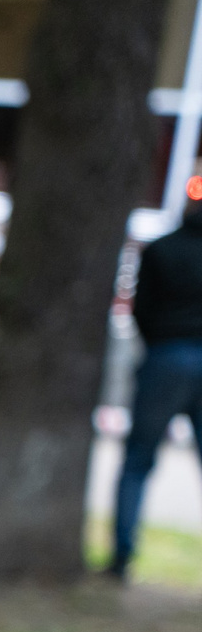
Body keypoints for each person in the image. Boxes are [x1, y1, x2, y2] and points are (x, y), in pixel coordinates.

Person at [110, 196, 202, 579]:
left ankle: (122, 557)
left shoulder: (161, 248)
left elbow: (139, 308)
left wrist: (160, 344)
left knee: (137, 461)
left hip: (165, 358)